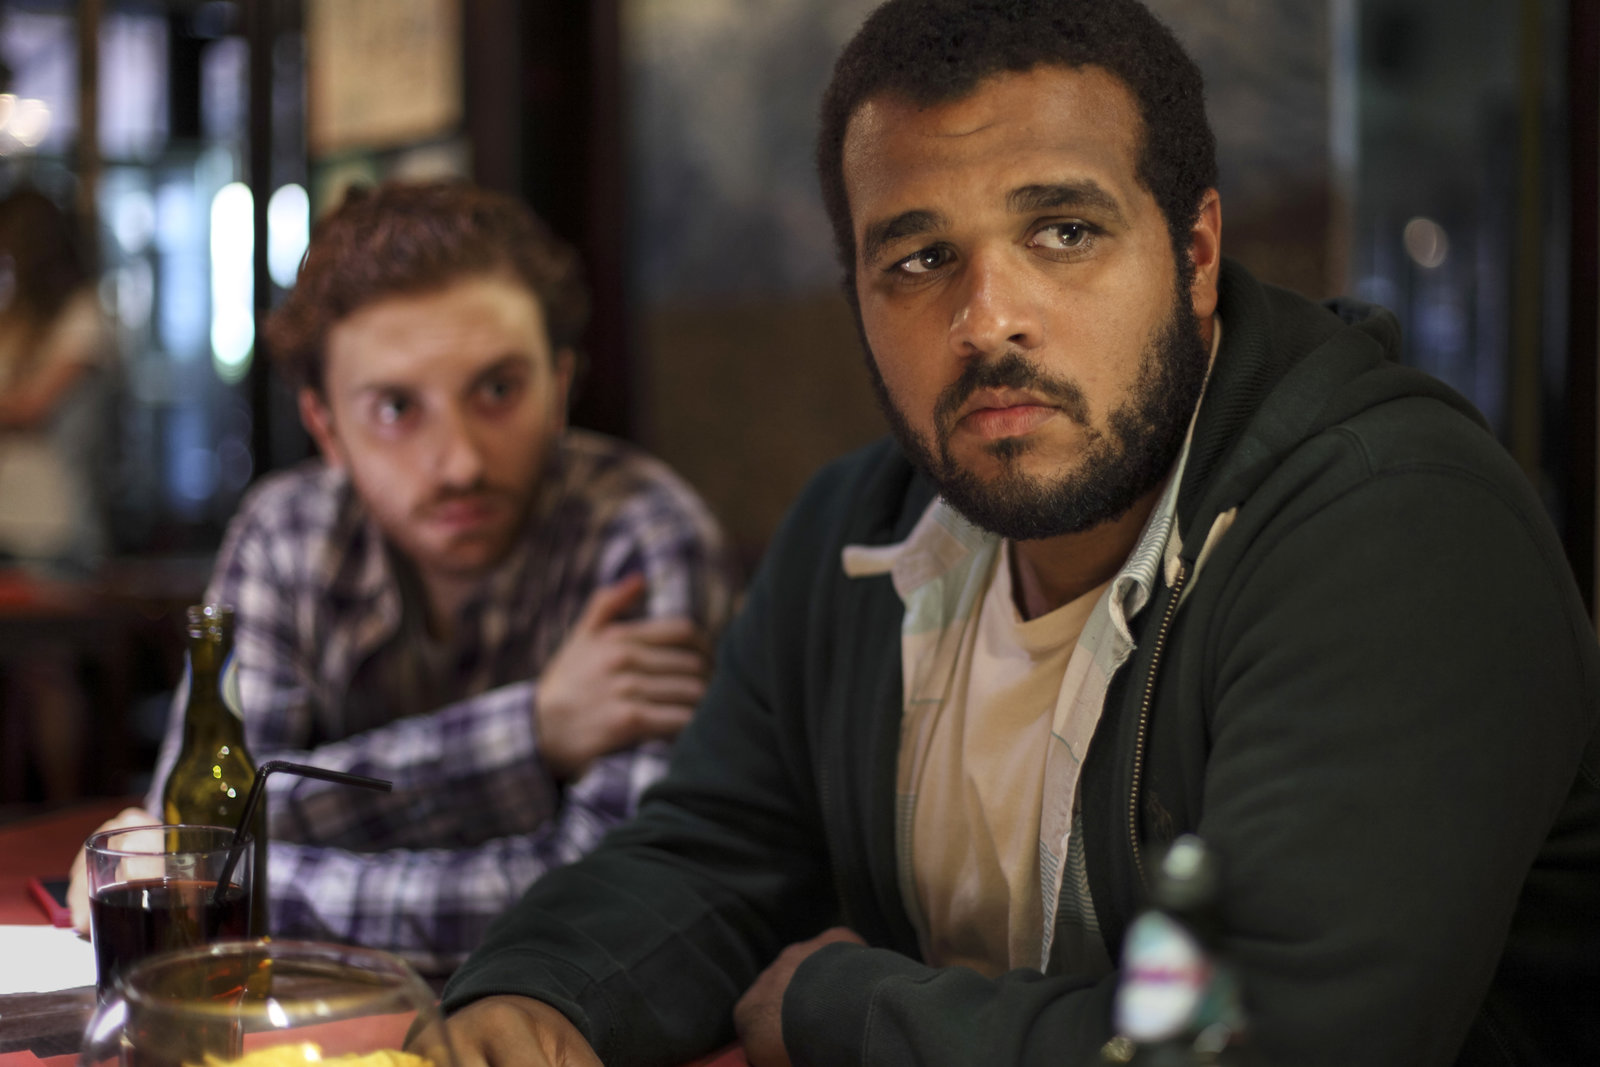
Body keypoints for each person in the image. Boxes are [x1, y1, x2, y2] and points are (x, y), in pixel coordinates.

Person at [417, 1, 1600, 1063]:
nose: (987, 320)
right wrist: (540, 989)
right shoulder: (852, 530)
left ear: (1193, 255)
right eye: (920, 258)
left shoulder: (1395, 524)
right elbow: (712, 853)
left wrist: (842, 1008)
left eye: (1063, 231)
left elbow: (1266, 1034)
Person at [66, 181, 738, 974]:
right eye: (395, 408)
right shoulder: (287, 535)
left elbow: (617, 904)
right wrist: (529, 732)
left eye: (498, 389)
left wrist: (237, 884)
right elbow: (207, 822)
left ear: (559, 389)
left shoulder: (643, 534)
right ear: (326, 427)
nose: (459, 463)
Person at [0, 187, 111, 803]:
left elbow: (33, 407)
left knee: (49, 673)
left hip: (56, 523)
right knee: (20, 677)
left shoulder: (83, 315)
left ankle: (64, 807)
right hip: (9, 517)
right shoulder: (17, 318)